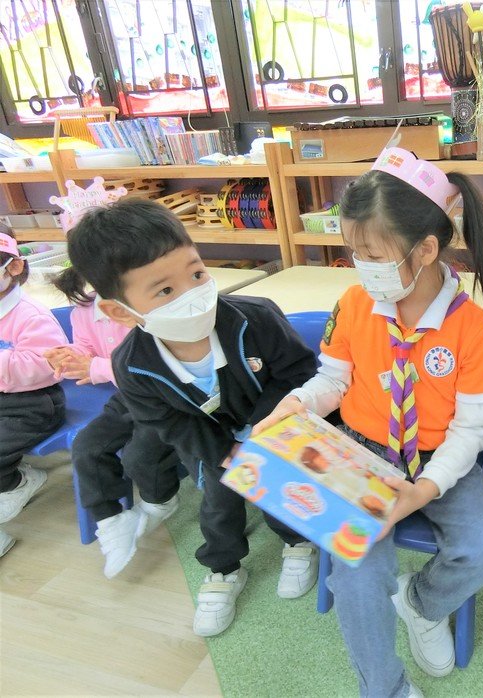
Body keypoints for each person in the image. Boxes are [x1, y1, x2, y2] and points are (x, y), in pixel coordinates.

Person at [255, 146, 483, 697]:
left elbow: (473, 430)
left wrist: (425, 489)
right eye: (353, 251)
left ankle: (421, 603)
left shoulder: (472, 329)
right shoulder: (354, 303)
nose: (360, 265)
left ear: (426, 249)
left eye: (371, 254)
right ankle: (384, 688)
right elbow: (333, 381)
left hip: (440, 459)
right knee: (358, 577)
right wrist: (299, 404)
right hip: (361, 452)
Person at [63, 199, 319, 636]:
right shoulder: (133, 365)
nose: (192, 295)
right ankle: (224, 569)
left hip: (274, 427)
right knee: (218, 505)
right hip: (212, 440)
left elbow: (297, 372)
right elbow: (168, 422)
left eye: (197, 274)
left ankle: (297, 542)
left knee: (279, 487)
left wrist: (264, 432)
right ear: (121, 311)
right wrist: (223, 452)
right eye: (164, 291)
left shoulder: (255, 318)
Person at [45, 275, 185, 579]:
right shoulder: (85, 309)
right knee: (87, 446)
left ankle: (161, 500)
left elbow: (157, 365)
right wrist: (69, 356)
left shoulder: (146, 301)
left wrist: (95, 367)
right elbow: (86, 348)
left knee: (140, 455)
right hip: (128, 396)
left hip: (168, 396)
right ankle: (111, 522)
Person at [0, 226, 66, 530]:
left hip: (34, 403)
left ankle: (18, 482)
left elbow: (44, 364)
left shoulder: (31, 315)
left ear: (13, 266)